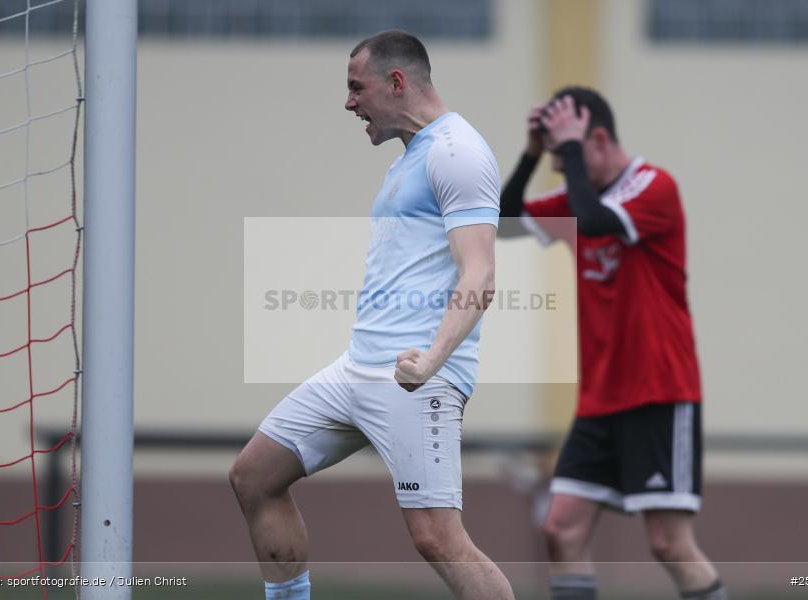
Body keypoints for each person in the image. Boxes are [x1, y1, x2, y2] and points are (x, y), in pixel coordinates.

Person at [229, 30, 515, 600]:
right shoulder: (415, 155)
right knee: (254, 477)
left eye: (356, 87)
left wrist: (431, 361)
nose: (349, 102)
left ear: (398, 82)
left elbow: (480, 276)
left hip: (417, 380)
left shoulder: (457, 152)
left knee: (438, 538)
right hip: (357, 371)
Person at [499, 87, 727, 600]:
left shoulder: (654, 187)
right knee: (561, 529)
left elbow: (597, 218)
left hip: (659, 392)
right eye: (558, 159)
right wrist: (534, 150)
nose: (563, 169)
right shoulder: (577, 196)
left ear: (597, 139)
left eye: (569, 155)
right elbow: (505, 222)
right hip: (600, 400)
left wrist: (571, 150)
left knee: (669, 543)